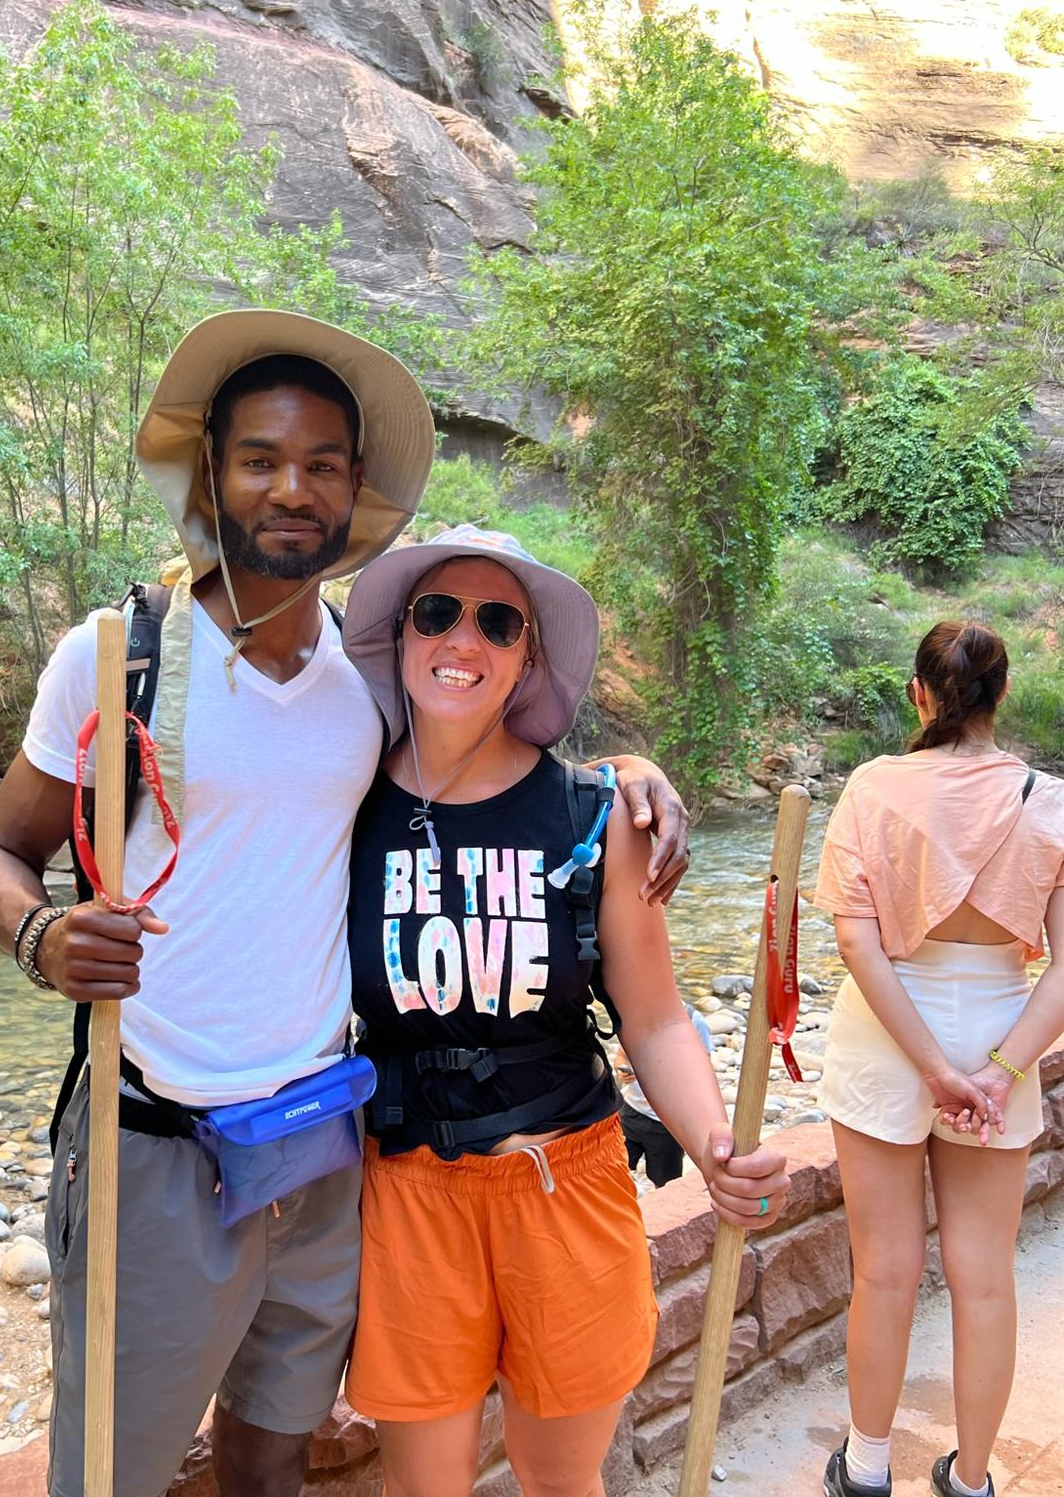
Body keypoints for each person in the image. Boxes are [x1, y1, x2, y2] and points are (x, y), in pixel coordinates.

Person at [0, 309, 692, 1497]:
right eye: (262, 458)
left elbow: (484, 750)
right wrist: (41, 934)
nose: (291, 488)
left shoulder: (369, 689)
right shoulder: (116, 657)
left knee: (273, 1451)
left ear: (355, 494)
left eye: (322, 466)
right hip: (155, 1133)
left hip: (324, 1141)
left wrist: (625, 780)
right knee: (111, 1469)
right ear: (213, 474)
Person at [339, 525, 792, 1497]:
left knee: (561, 1480)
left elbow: (657, 1019)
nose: (465, 640)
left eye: (498, 622)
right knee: (427, 1485)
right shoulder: (343, 808)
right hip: (407, 1196)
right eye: (438, 613)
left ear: (527, 657)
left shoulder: (596, 817)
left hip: (566, 1193)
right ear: (401, 634)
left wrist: (712, 1142)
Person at [813, 621, 1064, 1497]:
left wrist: (928, 1066)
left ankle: (870, 1468)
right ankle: (971, 1478)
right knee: (984, 1277)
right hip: (1002, 1025)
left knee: (883, 1268)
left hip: (890, 1038)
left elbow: (857, 941)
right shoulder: (1051, 801)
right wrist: (996, 1070)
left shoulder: (873, 789)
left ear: (919, 695)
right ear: (1001, 697)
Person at [617, 1004, 716, 1187]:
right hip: (630, 1110)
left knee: (666, 1182)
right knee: (613, 1170)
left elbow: (702, 1074)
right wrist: (622, 1070)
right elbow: (621, 1055)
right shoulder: (635, 1008)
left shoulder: (694, 1021)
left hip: (666, 1121)